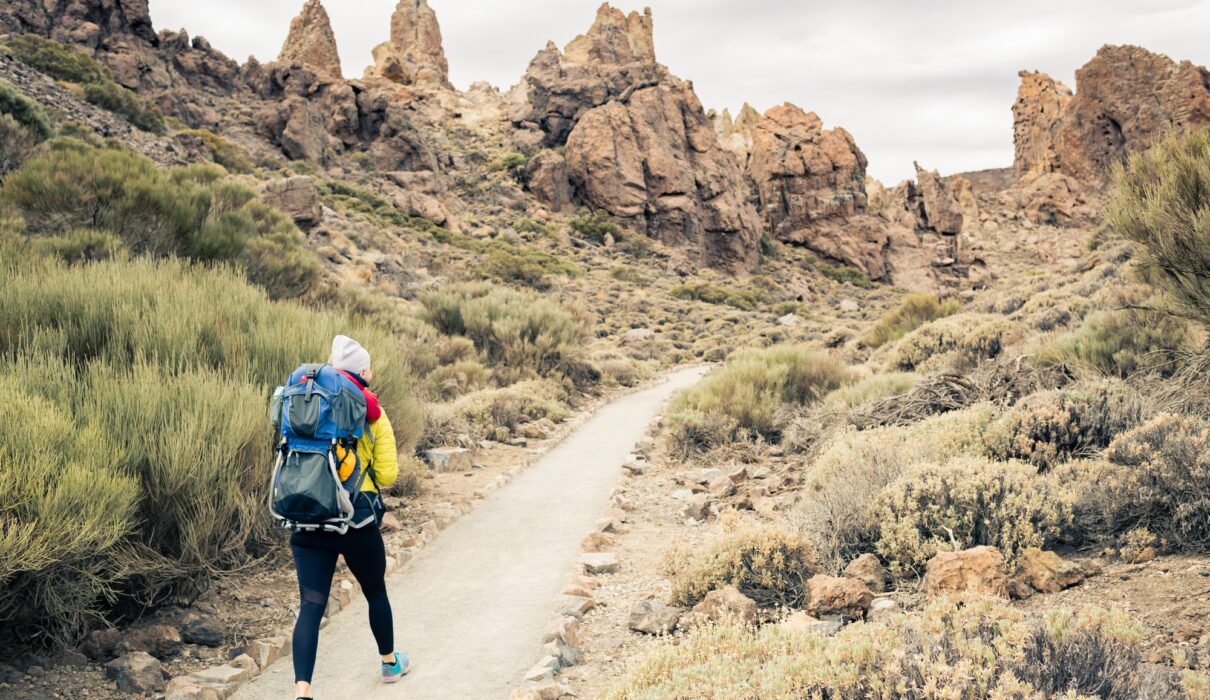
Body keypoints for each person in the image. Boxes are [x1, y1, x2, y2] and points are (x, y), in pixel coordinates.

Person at [289, 336, 409, 700]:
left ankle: (303, 691)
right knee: (375, 592)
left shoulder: (303, 400)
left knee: (311, 605)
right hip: (355, 520)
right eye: (369, 366)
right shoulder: (372, 411)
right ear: (362, 372)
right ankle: (390, 664)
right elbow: (387, 475)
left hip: (307, 518)